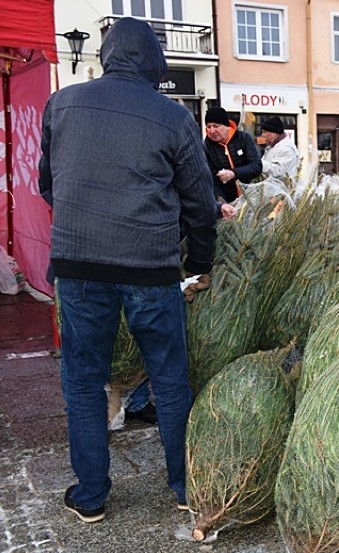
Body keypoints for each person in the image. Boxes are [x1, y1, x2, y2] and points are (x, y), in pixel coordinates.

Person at [38, 17, 219, 523]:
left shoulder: (62, 104)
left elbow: (48, 184)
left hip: (78, 265)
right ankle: (185, 489)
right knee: (169, 379)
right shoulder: (174, 116)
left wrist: (83, 220)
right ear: (155, 63)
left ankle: (91, 496)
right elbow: (200, 205)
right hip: (149, 267)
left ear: (105, 54)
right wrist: (199, 262)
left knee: (82, 379)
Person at [203, 106, 262, 203]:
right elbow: (211, 179)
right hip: (228, 202)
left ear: (227, 126)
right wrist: (221, 202)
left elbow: (256, 166)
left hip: (252, 197)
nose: (212, 131)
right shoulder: (206, 147)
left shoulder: (243, 138)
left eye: (216, 126)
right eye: (209, 127)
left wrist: (234, 173)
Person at [260, 116, 299, 181]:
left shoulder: (286, 148)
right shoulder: (272, 147)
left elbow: (280, 171)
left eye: (264, 132)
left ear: (274, 133)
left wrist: (258, 163)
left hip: (281, 190)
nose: (262, 135)